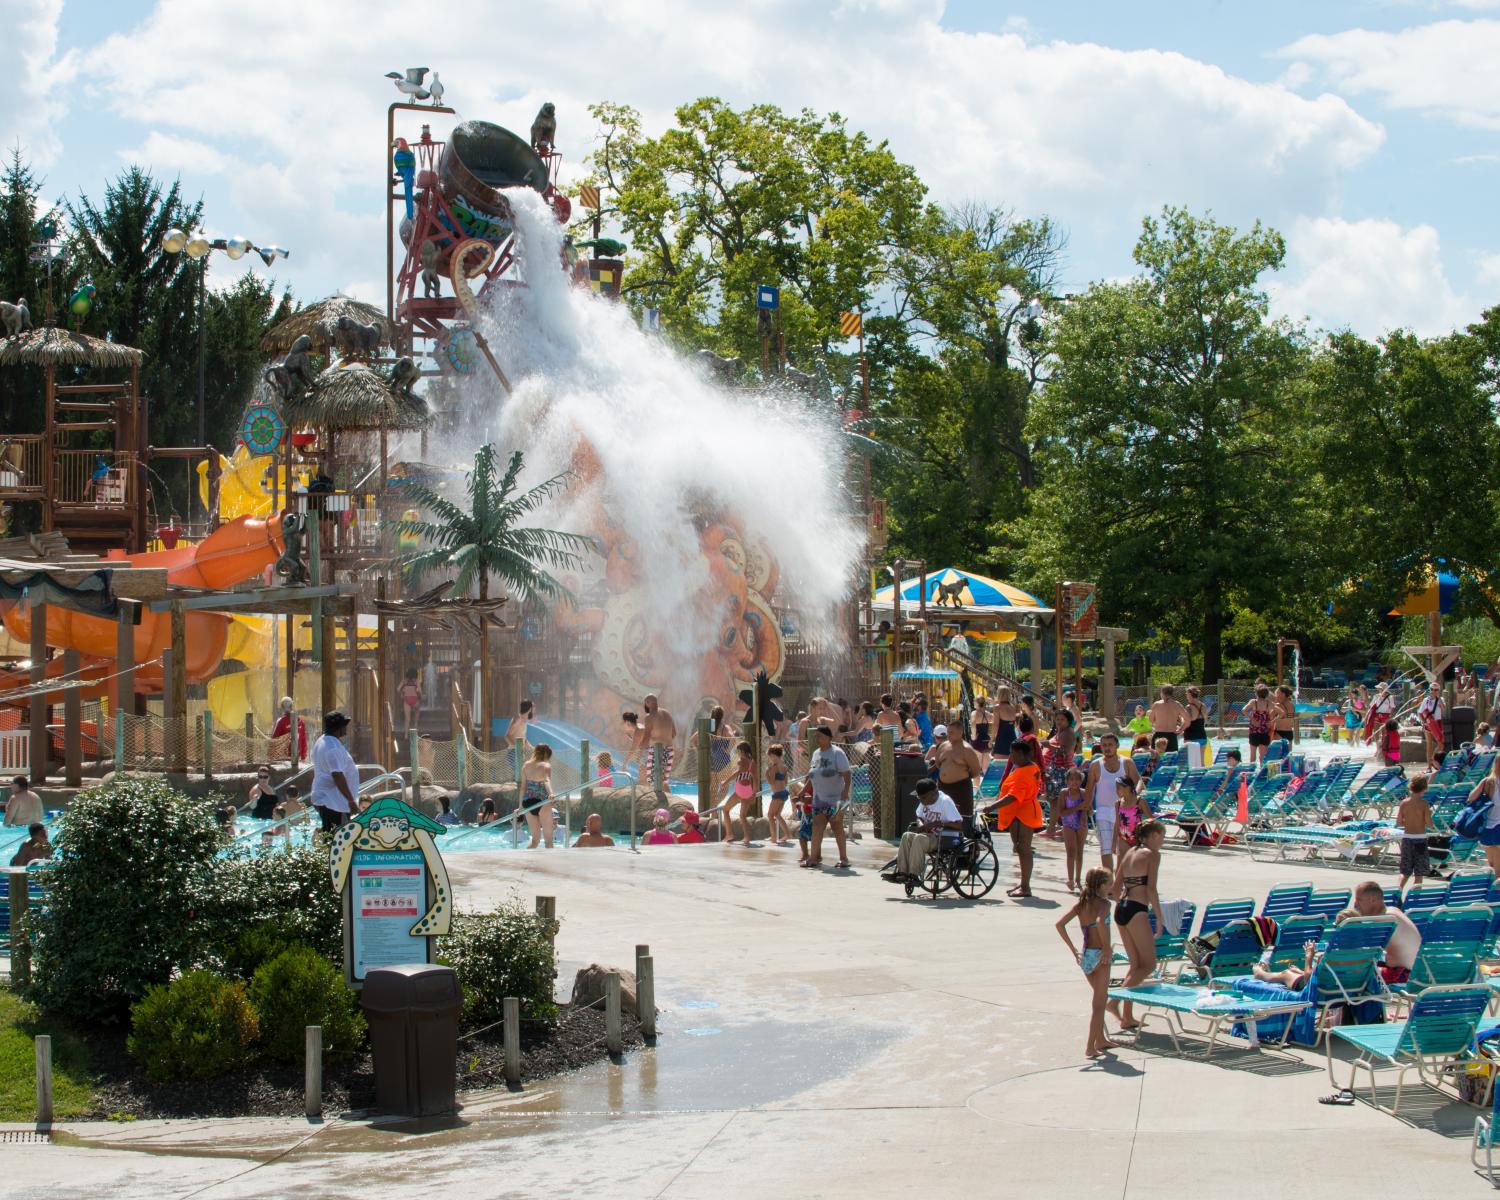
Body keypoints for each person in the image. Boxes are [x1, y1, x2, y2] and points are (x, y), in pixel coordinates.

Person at [1109, 820, 1167, 1033]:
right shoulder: (1152, 855)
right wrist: (1159, 918)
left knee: (1135, 966)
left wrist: (1125, 905)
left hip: (1122, 909)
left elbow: (1115, 889)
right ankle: (1114, 1003)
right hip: (1136, 910)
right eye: (1161, 836)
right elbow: (1151, 889)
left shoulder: (1129, 852)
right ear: (1152, 836)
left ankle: (1127, 1017)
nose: (1162, 841)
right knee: (1148, 965)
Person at [1055, 867, 1117, 1058]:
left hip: (1086, 956)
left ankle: (1101, 1040)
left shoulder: (1082, 904)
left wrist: (1073, 949)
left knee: (1098, 1000)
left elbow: (1060, 924)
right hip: (1100, 956)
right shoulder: (1105, 904)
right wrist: (1107, 948)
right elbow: (1100, 922)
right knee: (1099, 1005)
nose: (1112, 886)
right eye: (1110, 883)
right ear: (1101, 885)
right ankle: (1090, 1046)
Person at [992, 741, 1044, 897]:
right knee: (1019, 848)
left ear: (1022, 755)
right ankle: (1023, 884)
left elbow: (1014, 796)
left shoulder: (1026, 771)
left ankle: (1025, 887)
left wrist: (991, 806)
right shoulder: (1026, 767)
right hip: (1017, 813)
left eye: (1013, 753)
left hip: (1025, 813)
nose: (1011, 756)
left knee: (1024, 849)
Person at [886, 778, 962, 883]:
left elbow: (959, 825)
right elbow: (919, 816)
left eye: (923, 798)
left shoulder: (945, 802)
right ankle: (902, 872)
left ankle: (914, 875)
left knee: (919, 838)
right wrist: (922, 825)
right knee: (906, 836)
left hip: (942, 838)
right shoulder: (925, 800)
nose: (921, 801)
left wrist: (938, 823)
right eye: (919, 798)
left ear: (933, 793)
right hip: (927, 836)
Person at [1084, 733, 1140, 875]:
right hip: (1103, 811)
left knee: (1123, 849)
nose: (1107, 748)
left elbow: (1139, 782)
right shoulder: (1096, 765)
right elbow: (1090, 788)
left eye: (1110, 745)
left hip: (1123, 811)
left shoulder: (1126, 763)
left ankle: (1119, 882)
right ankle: (1109, 883)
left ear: (1117, 746)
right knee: (1106, 848)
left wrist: (1133, 796)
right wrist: (1087, 805)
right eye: (1104, 745)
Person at [1351, 879, 1422, 985]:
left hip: (1402, 975)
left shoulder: (1384, 920)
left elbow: (1363, 953)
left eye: (1359, 900)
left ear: (1372, 900)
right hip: (1416, 970)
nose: (1355, 905)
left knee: (1352, 971)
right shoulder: (1393, 911)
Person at [802, 725, 851, 869]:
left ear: (829, 737)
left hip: (836, 798)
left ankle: (844, 858)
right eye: (816, 736)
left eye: (820, 736)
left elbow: (847, 774)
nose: (817, 739)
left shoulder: (837, 753)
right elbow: (812, 775)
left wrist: (844, 794)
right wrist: (803, 791)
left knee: (837, 827)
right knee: (817, 827)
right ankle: (813, 858)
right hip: (819, 799)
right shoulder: (816, 753)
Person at [310, 710, 357, 831]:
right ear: (338, 728)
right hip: (335, 802)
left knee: (330, 836)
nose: (346, 728)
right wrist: (351, 800)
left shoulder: (322, 740)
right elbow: (337, 775)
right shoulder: (333, 747)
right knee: (338, 839)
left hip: (328, 799)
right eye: (344, 725)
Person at [1049, 767, 1089, 892]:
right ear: (1067, 781)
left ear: (1081, 781)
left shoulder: (1084, 793)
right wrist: (1078, 807)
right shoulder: (1064, 793)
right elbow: (1061, 812)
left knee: (1080, 852)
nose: (1074, 782)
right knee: (1071, 852)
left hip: (1081, 825)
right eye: (1071, 780)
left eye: (1077, 780)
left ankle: (1078, 878)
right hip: (1068, 824)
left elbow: (1089, 810)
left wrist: (1086, 811)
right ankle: (1070, 878)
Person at [933, 721, 982, 817]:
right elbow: (938, 764)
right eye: (948, 732)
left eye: (951, 732)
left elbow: (976, 771)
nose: (948, 735)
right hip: (943, 787)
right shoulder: (943, 746)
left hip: (960, 788)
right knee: (942, 817)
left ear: (960, 733)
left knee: (962, 818)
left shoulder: (967, 749)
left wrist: (960, 775)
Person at [1397, 774, 1432, 890]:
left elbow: (1399, 822)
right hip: (1420, 840)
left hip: (1407, 839)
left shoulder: (1404, 803)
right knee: (1419, 873)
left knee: (1405, 871)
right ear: (1424, 788)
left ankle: (1397, 893)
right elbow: (1429, 823)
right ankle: (1415, 898)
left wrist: (1409, 822)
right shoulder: (1424, 804)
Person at [719, 740, 757, 847]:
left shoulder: (741, 761)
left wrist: (725, 782)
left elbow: (737, 773)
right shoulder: (752, 762)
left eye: (738, 751)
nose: (737, 753)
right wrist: (754, 793)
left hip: (740, 790)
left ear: (741, 751)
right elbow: (754, 778)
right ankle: (747, 837)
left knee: (725, 810)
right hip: (748, 790)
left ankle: (729, 834)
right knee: (743, 816)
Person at [636, 694, 678, 792]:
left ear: (647, 703)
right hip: (670, 750)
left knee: (653, 780)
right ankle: (670, 804)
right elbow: (674, 733)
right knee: (663, 781)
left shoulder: (649, 717)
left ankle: (658, 804)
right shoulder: (667, 713)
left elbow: (646, 738)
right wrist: (662, 737)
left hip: (657, 752)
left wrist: (640, 751)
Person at [520, 743, 556, 849]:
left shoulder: (526, 765)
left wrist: (520, 806)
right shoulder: (546, 766)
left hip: (527, 803)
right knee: (548, 841)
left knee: (535, 840)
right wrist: (551, 794)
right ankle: (550, 864)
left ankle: (526, 862)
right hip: (542, 801)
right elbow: (546, 780)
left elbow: (523, 787)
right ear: (548, 755)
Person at [1471, 755, 1500, 874]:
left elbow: (1471, 797)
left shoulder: (1487, 782)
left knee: (1492, 864)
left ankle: (1491, 889)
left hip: (1486, 827)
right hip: (1499, 826)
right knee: (1498, 868)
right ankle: (1496, 891)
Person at [1046, 710, 1076, 806]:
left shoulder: (1068, 733)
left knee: (1057, 801)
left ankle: (1055, 821)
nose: (1059, 722)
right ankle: (1056, 821)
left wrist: (1049, 746)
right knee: (1055, 801)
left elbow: (1065, 752)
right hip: (1057, 771)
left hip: (1062, 772)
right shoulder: (1062, 731)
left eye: (1062, 719)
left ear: (1068, 721)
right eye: (1057, 719)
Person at [765, 743, 792, 845]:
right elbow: (786, 782)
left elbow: (771, 782)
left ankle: (773, 837)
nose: (771, 758)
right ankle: (788, 834)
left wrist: (767, 772)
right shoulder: (784, 767)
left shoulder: (774, 767)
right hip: (784, 793)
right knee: (777, 815)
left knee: (770, 815)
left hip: (777, 794)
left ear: (775, 755)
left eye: (771, 756)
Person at [1148, 685, 1187, 753]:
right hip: (1171, 735)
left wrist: (1157, 721)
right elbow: (1187, 719)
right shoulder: (1177, 704)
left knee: (1156, 759)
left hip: (1159, 735)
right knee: (1171, 759)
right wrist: (1181, 729)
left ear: (1162, 693)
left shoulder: (1156, 704)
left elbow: (1150, 720)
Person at [1416, 683, 1446, 770]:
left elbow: (1444, 710)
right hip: (1428, 723)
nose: (1433, 691)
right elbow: (1420, 712)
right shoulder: (1426, 700)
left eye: (1436, 690)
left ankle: (1433, 759)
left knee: (1440, 744)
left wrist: (1439, 698)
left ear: (1438, 691)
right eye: (1432, 689)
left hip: (1438, 723)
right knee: (1429, 745)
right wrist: (1424, 722)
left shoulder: (1441, 699)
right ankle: (1429, 766)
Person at [270, 696, 307, 763]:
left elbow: (274, 741)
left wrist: (270, 757)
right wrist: (303, 756)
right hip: (298, 757)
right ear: (292, 706)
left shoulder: (281, 721)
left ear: (282, 707)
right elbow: (303, 740)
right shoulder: (300, 721)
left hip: (286, 758)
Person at [1245, 685, 1274, 763]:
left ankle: (1251, 771)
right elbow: (1281, 713)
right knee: (1263, 755)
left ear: (1256, 693)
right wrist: (1271, 721)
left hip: (1254, 730)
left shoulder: (1253, 702)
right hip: (1265, 731)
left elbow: (1244, 710)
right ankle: (1263, 771)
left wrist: (1253, 719)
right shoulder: (1269, 703)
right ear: (1267, 694)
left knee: (1252, 755)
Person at [993, 687, 1019, 757]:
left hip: (1002, 738)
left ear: (999, 694)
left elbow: (996, 725)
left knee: (999, 764)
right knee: (1011, 764)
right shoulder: (1013, 707)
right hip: (1012, 737)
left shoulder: (997, 707)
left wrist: (992, 739)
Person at [399, 667, 423, 736]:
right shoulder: (416, 681)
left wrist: (401, 695)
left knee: (407, 719)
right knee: (416, 717)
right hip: (415, 700)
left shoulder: (404, 681)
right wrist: (421, 698)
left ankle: (406, 735)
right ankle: (415, 733)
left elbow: (398, 689)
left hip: (406, 700)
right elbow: (420, 691)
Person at [971, 697, 993, 770]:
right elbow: (997, 722)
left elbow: (973, 726)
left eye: (974, 702)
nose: (973, 703)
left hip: (978, 741)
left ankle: (976, 782)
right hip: (986, 741)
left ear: (977, 703)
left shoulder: (974, 713)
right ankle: (987, 781)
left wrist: (973, 737)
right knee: (985, 768)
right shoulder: (988, 714)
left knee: (976, 769)